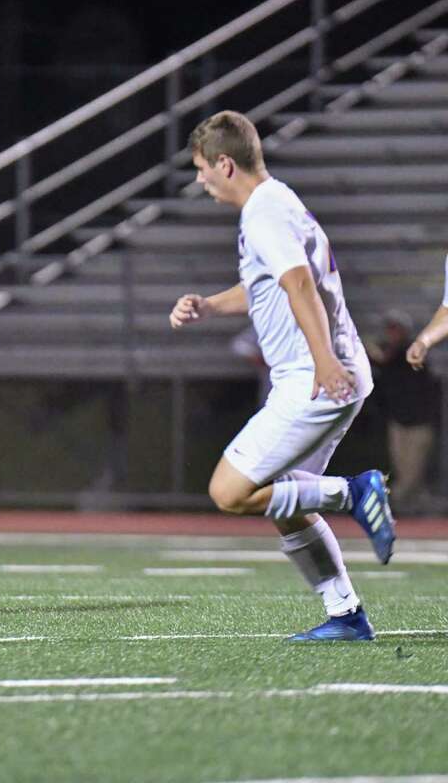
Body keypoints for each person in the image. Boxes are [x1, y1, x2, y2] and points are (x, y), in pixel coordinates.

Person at [169, 110, 395, 642]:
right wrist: (208, 305)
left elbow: (298, 285)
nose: (199, 179)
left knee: (229, 491)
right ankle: (346, 615)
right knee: (287, 504)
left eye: (202, 167)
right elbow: (267, 284)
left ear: (225, 164)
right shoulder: (277, 200)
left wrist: (322, 359)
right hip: (326, 372)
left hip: (313, 378)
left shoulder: (263, 212)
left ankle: (354, 492)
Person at [367, 310, 437, 511]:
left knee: (412, 472)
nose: (392, 333)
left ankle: (391, 503)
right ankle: (415, 507)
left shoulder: (411, 351)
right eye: (390, 329)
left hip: (419, 422)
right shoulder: (389, 354)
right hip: (398, 420)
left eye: (396, 329)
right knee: (402, 468)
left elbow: (390, 359)